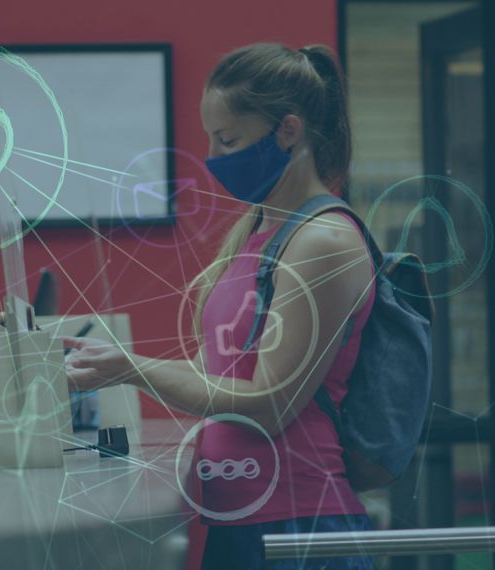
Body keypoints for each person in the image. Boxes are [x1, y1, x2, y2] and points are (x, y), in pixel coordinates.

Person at [65, 43, 376, 570]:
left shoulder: (323, 241)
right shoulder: (257, 229)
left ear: (288, 130)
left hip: (297, 526)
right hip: (242, 519)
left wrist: (132, 370)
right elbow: (231, 376)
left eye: (228, 140)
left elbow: (270, 404)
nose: (213, 157)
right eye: (210, 138)